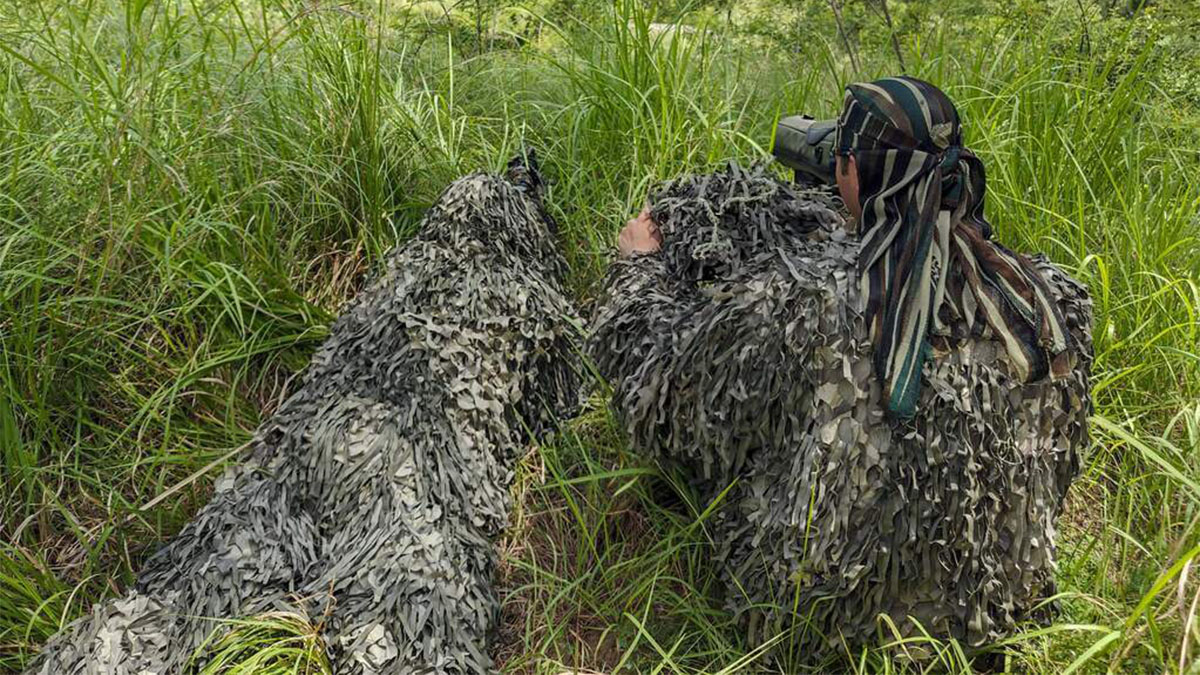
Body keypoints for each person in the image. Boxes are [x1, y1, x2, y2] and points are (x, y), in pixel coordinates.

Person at [589, 77, 1092, 661]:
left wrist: (637, 270)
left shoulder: (811, 306)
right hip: (996, 606)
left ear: (849, 171)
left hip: (836, 627)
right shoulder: (1049, 306)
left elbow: (659, 391)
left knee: (720, 452)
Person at [27, 153, 583, 674]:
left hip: (311, 437)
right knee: (415, 598)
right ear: (525, 236)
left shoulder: (399, 270)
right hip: (413, 459)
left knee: (218, 567)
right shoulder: (530, 297)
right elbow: (558, 406)